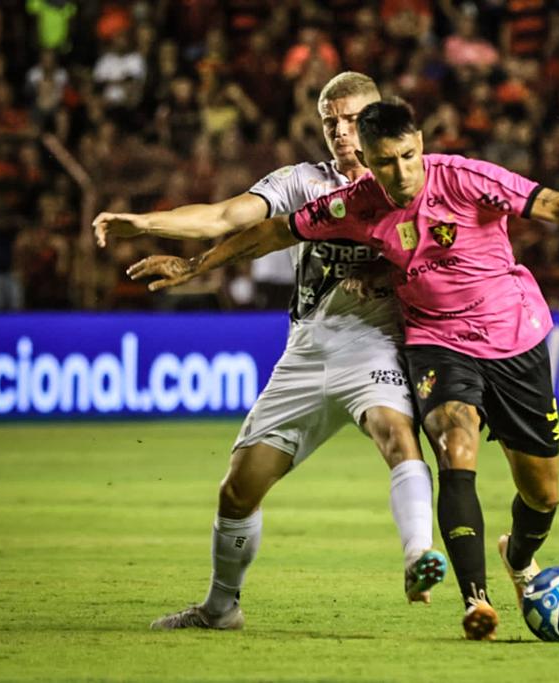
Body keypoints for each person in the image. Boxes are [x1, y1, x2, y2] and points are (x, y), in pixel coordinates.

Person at [126, 99, 559, 640]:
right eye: (387, 162)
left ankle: (519, 555)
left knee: (543, 494)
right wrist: (196, 264)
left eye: (409, 156)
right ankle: (476, 601)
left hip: (515, 340)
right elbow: (278, 230)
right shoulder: (356, 203)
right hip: (436, 343)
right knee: (453, 442)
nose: (402, 172)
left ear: (421, 146)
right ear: (368, 162)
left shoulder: (464, 178)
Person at [91, 73, 446, 631]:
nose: (340, 133)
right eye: (331, 122)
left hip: (374, 343)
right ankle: (220, 607)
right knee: (238, 488)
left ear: (381, 120)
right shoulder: (305, 182)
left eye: (353, 120)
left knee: (395, 434)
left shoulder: (417, 181)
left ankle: (418, 555)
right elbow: (227, 215)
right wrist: (147, 224)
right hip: (306, 350)